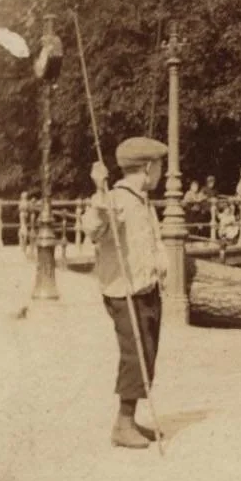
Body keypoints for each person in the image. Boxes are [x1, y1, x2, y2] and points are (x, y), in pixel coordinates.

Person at [81, 136, 169, 451]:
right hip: (124, 291)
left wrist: (161, 264)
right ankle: (123, 422)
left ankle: (130, 418)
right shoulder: (116, 197)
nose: (161, 173)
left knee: (147, 352)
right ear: (147, 168)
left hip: (146, 288)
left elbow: (151, 239)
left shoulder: (142, 200)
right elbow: (92, 227)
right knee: (135, 354)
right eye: (159, 167)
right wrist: (99, 193)